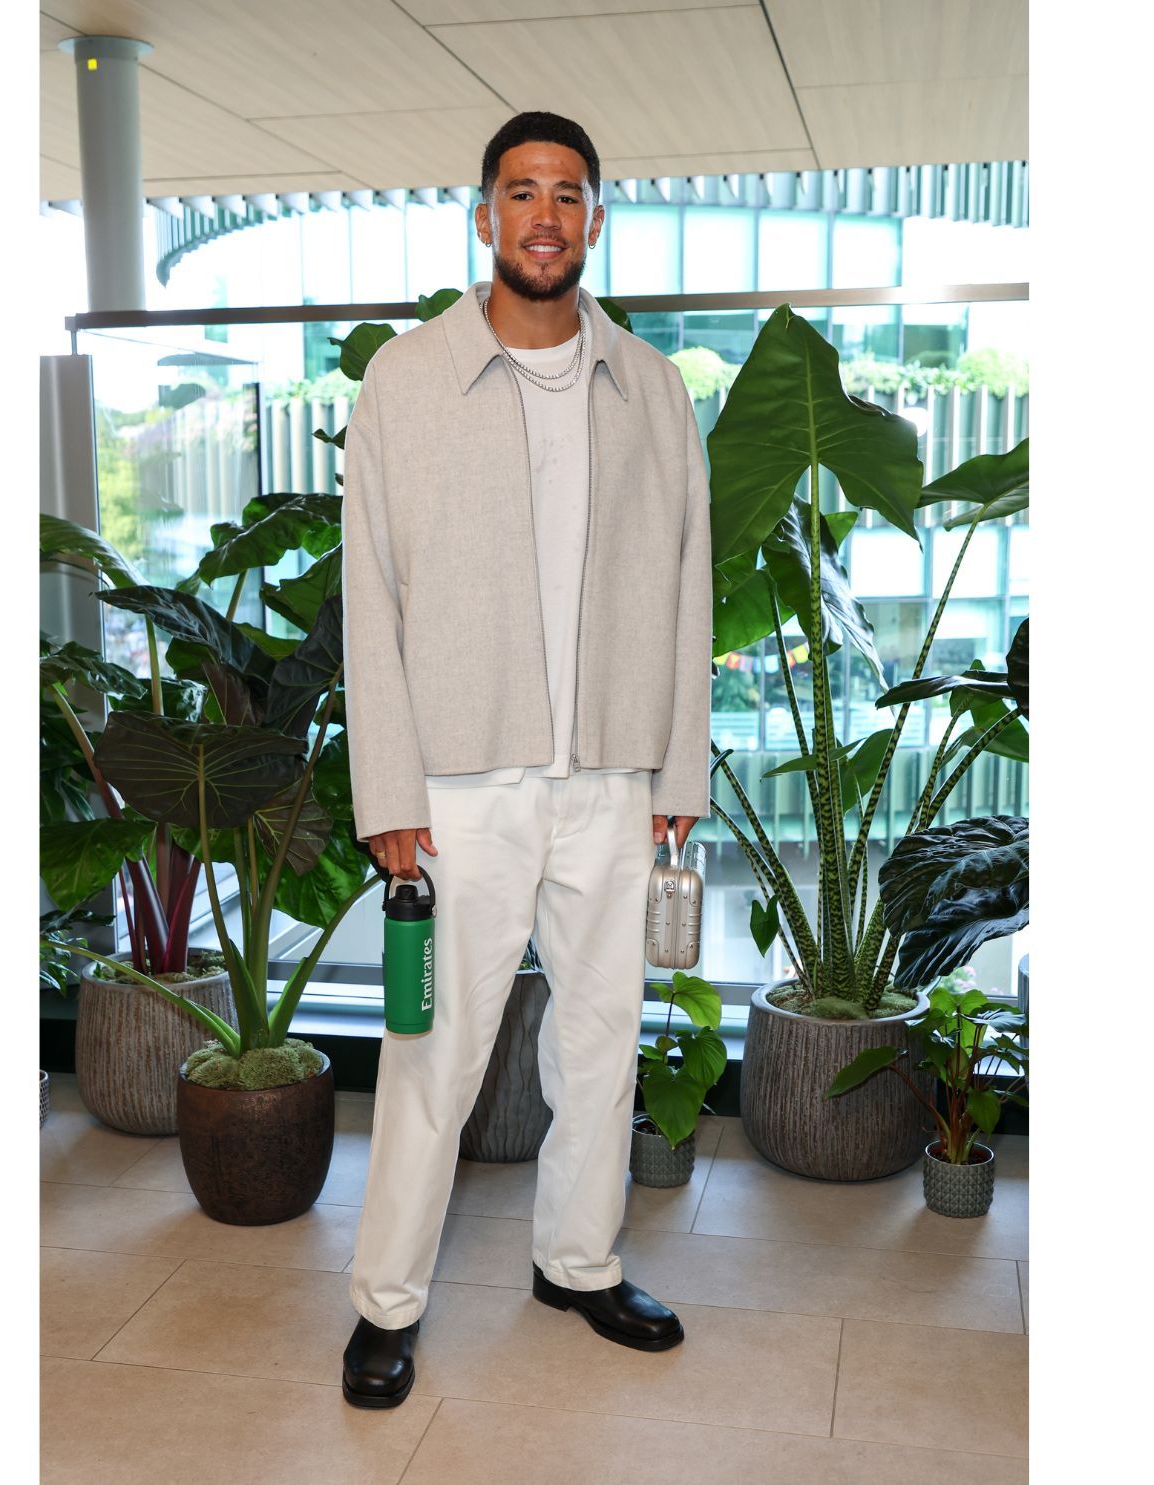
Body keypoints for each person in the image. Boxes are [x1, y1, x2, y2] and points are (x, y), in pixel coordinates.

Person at [335, 110, 714, 1409]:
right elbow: (367, 600)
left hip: (611, 779)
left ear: (596, 218)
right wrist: (387, 791)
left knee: (604, 1038)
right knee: (433, 1054)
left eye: (569, 193)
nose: (545, 214)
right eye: (520, 191)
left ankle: (579, 1259)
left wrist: (676, 778)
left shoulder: (653, 388)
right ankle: (386, 1302)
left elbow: (687, 592)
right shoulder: (407, 380)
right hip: (459, 784)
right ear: (483, 215)